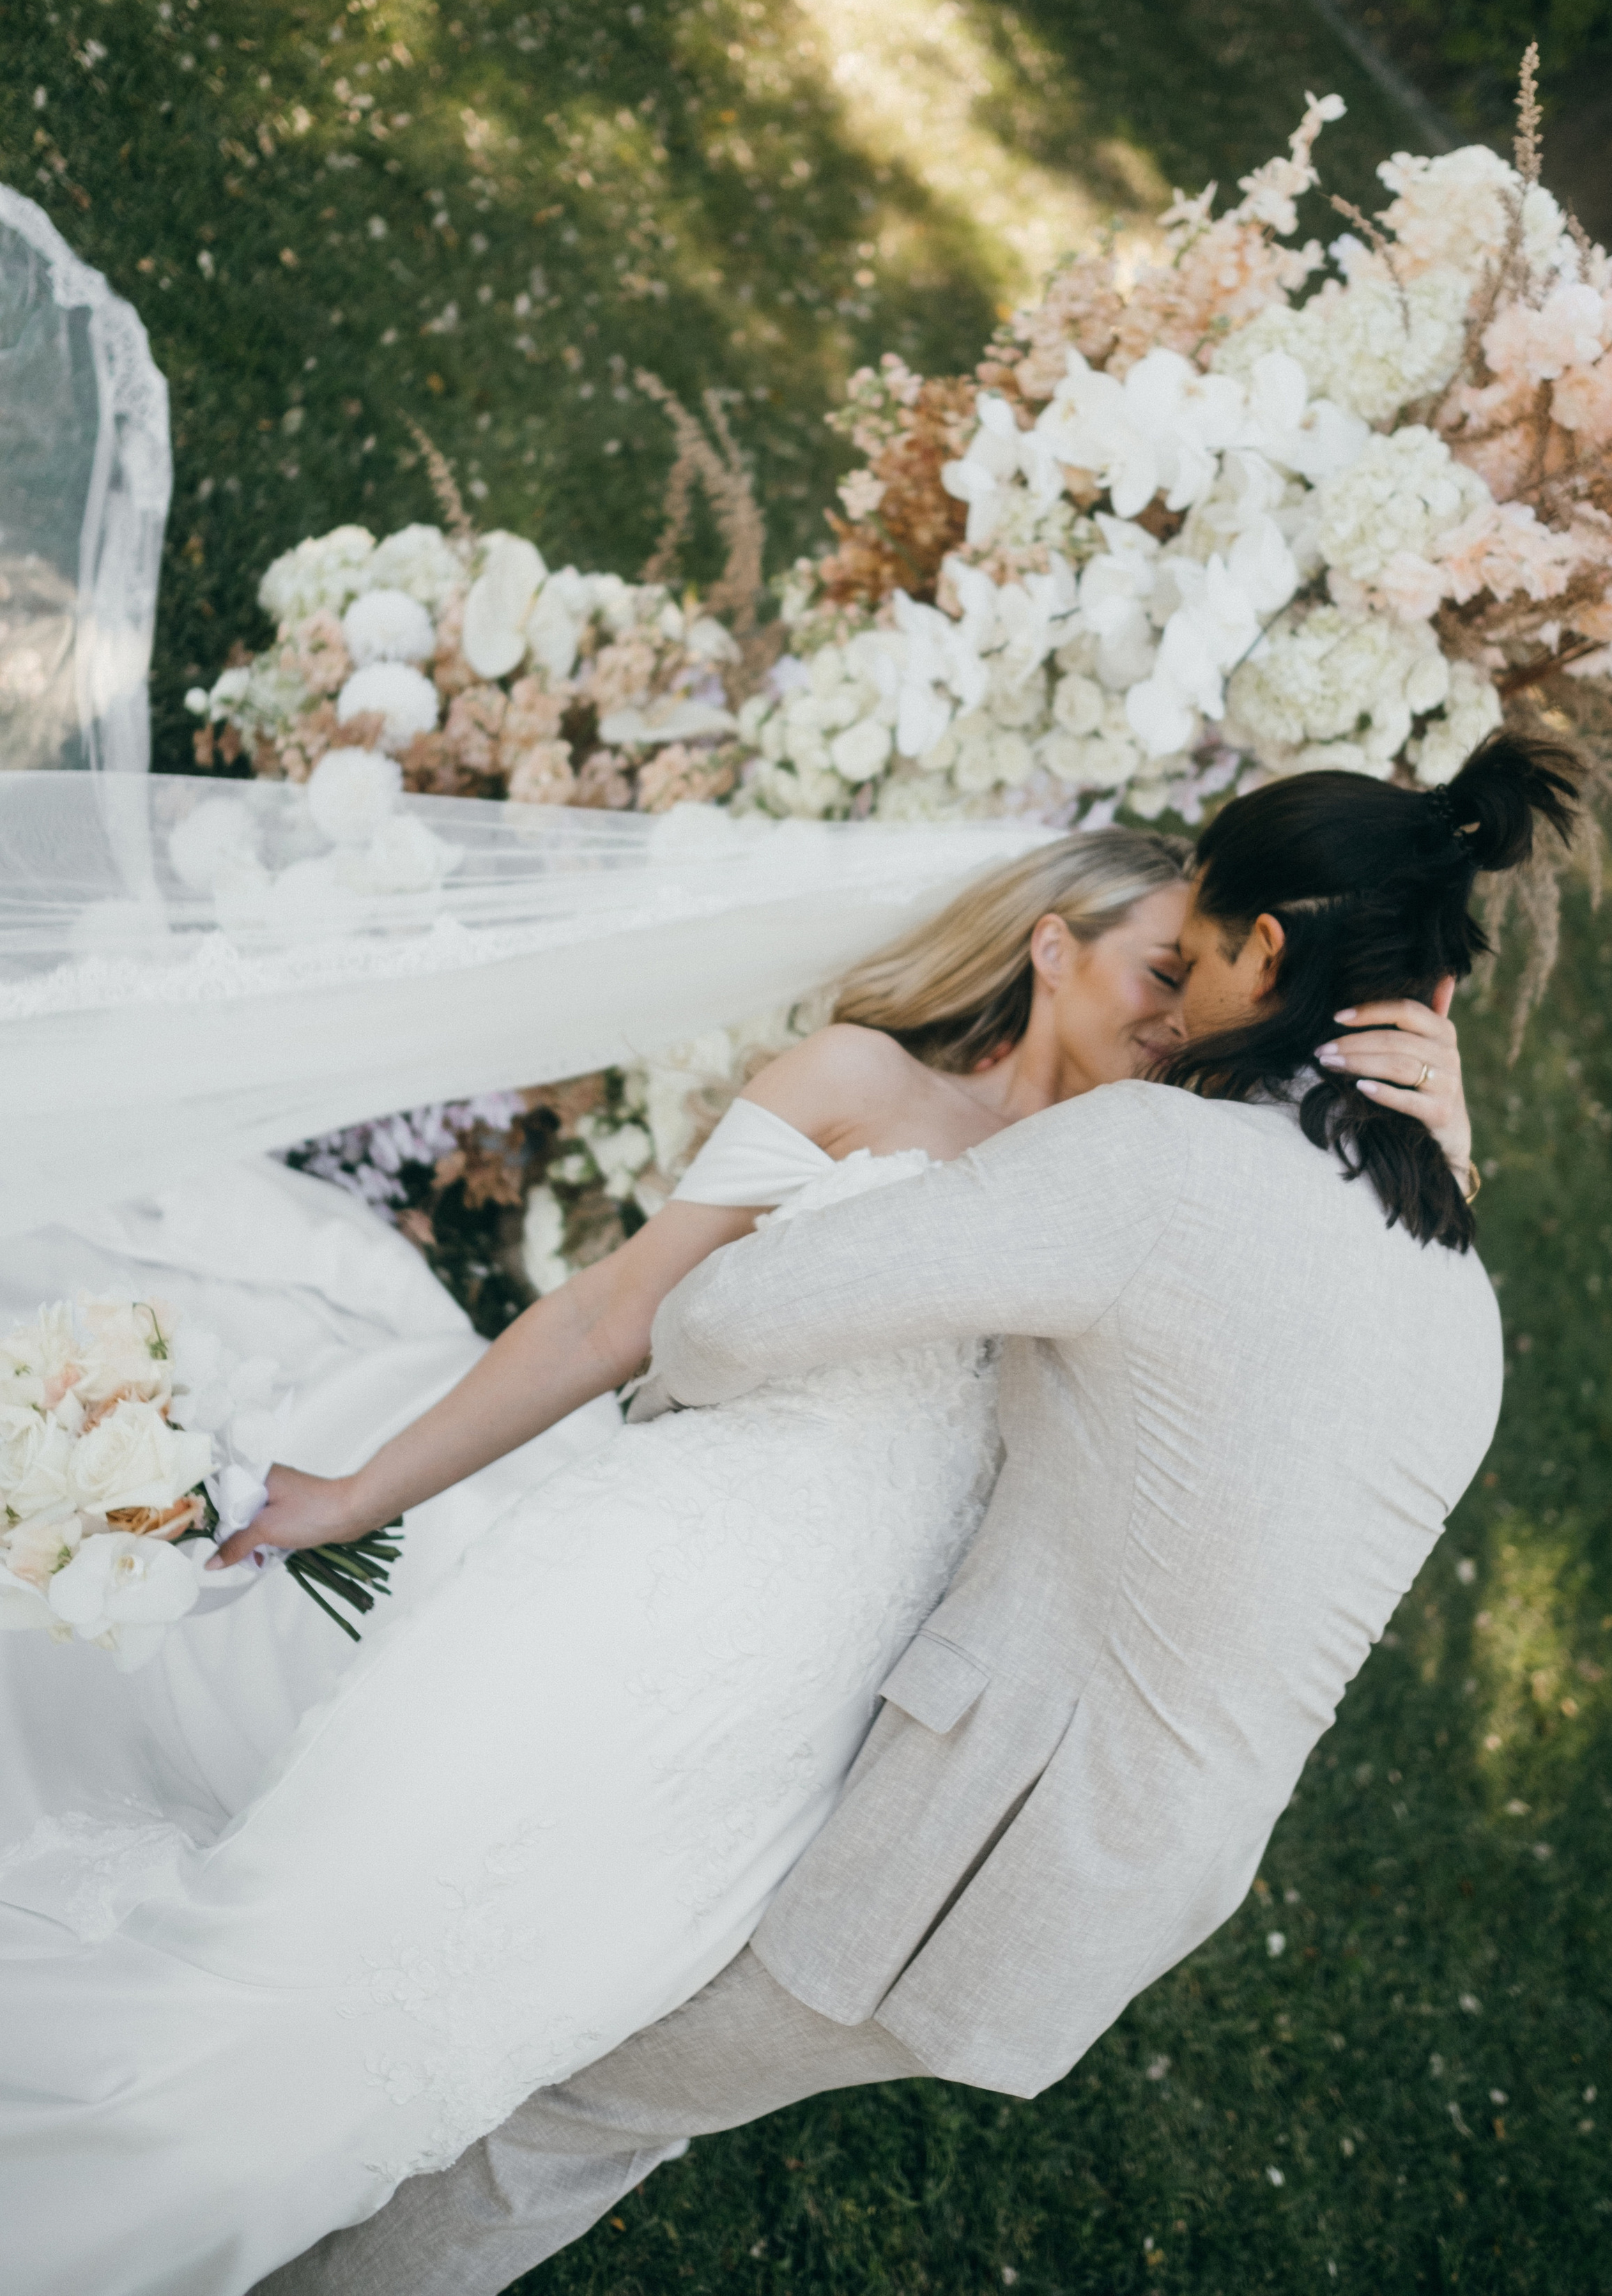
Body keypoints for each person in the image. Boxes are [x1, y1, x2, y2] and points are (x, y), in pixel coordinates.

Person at [0, 824, 1468, 2296]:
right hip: (636, 1602)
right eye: (1158, 968)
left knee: (461, 2059)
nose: (1174, 1014)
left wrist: (1440, 1141)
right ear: (1049, 945)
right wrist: (359, 1492)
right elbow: (611, 1317)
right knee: (290, 1972)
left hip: (793, 1760)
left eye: (1195, 978)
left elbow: (1306, 1318)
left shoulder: (1153, 1189)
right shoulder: (861, 1086)